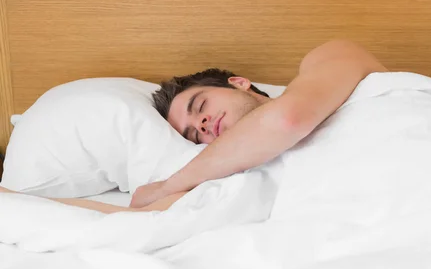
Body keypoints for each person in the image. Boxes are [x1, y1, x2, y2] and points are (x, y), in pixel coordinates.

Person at [0, 40, 387, 214]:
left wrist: (170, 185)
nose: (202, 125)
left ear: (238, 82)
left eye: (200, 106)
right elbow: (130, 217)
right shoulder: (228, 166)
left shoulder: (330, 55)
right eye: (193, 135)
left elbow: (286, 119)